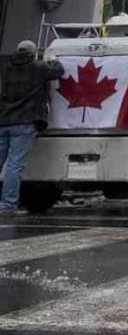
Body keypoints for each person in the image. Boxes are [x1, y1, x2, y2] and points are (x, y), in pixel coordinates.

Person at [0, 40, 64, 215]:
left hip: (4, 121)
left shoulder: (6, 68)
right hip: (25, 122)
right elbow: (59, 70)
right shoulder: (38, 68)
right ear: (34, 53)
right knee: (14, 165)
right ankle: (7, 204)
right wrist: (52, 59)